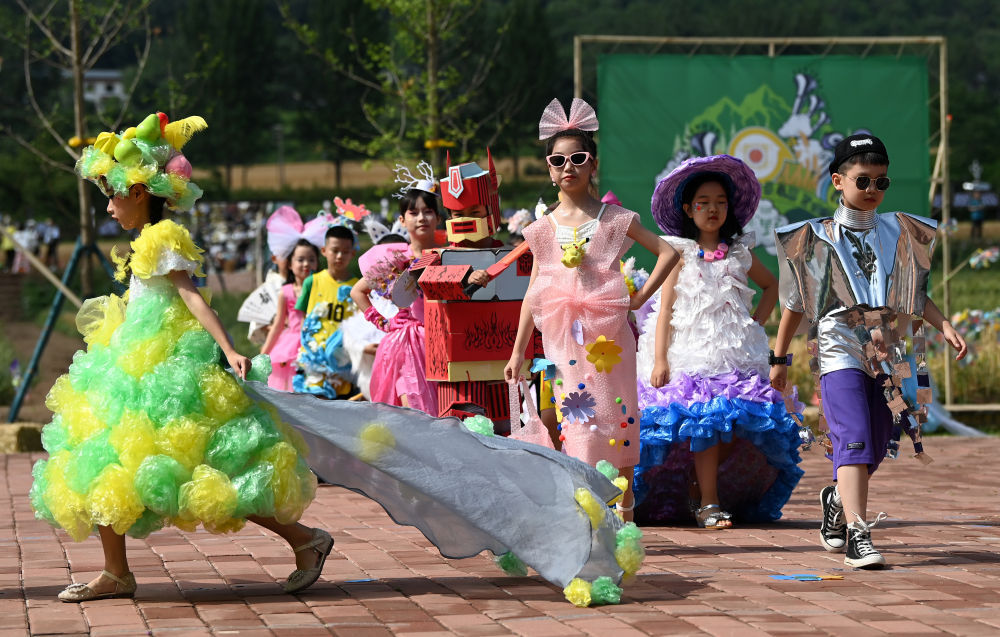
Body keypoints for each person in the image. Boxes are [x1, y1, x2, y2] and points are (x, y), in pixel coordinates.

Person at [32, 112, 332, 602]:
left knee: (208, 468)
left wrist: (230, 347)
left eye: (111, 195)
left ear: (137, 192)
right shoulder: (145, 239)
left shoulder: (162, 237)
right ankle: (115, 572)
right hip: (132, 361)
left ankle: (307, 539)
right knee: (103, 456)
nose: (108, 208)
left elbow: (190, 295)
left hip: (166, 367)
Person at [771, 133, 968, 569]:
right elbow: (795, 304)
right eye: (864, 182)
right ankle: (858, 534)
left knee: (879, 441)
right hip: (838, 342)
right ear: (838, 181)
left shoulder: (900, 230)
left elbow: (914, 295)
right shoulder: (816, 237)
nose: (873, 191)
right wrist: (780, 358)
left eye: (882, 183)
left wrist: (945, 324)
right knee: (855, 435)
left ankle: (836, 499)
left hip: (886, 350)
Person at [505, 98, 679, 520]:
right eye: (558, 159)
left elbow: (669, 252)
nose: (569, 166)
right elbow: (535, 290)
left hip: (610, 338)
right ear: (549, 169)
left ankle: (624, 504)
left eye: (578, 158)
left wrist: (638, 298)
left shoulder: (615, 219)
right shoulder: (540, 229)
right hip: (564, 339)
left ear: (593, 165)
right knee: (577, 414)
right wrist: (517, 350)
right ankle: (587, 509)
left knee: (616, 412)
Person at [634, 155, 804, 528]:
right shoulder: (677, 254)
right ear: (687, 208)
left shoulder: (741, 251)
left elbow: (773, 286)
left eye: (720, 203)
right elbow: (665, 311)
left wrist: (755, 323)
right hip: (691, 351)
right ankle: (709, 502)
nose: (713, 210)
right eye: (704, 203)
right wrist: (660, 359)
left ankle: (699, 487)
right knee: (705, 422)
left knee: (739, 421)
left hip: (737, 352)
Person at [352, 166, 443, 414]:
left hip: (443, 340)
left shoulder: (448, 253)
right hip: (405, 343)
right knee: (414, 409)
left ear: (438, 217)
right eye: (413, 213)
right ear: (402, 220)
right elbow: (357, 292)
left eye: (428, 212)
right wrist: (384, 323)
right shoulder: (393, 257)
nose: (422, 218)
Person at [293, 224, 359, 399]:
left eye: (345, 252)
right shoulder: (311, 282)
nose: (339, 256)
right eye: (335, 250)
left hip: (342, 361)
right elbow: (302, 319)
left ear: (352, 254)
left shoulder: (357, 287)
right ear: (324, 250)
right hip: (314, 360)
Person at [261, 237, 320, 391]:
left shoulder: (321, 289)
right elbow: (278, 325)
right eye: (300, 259)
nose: (306, 264)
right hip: (290, 345)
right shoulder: (285, 292)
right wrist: (263, 353)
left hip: (316, 342)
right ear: (290, 264)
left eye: (311, 259)